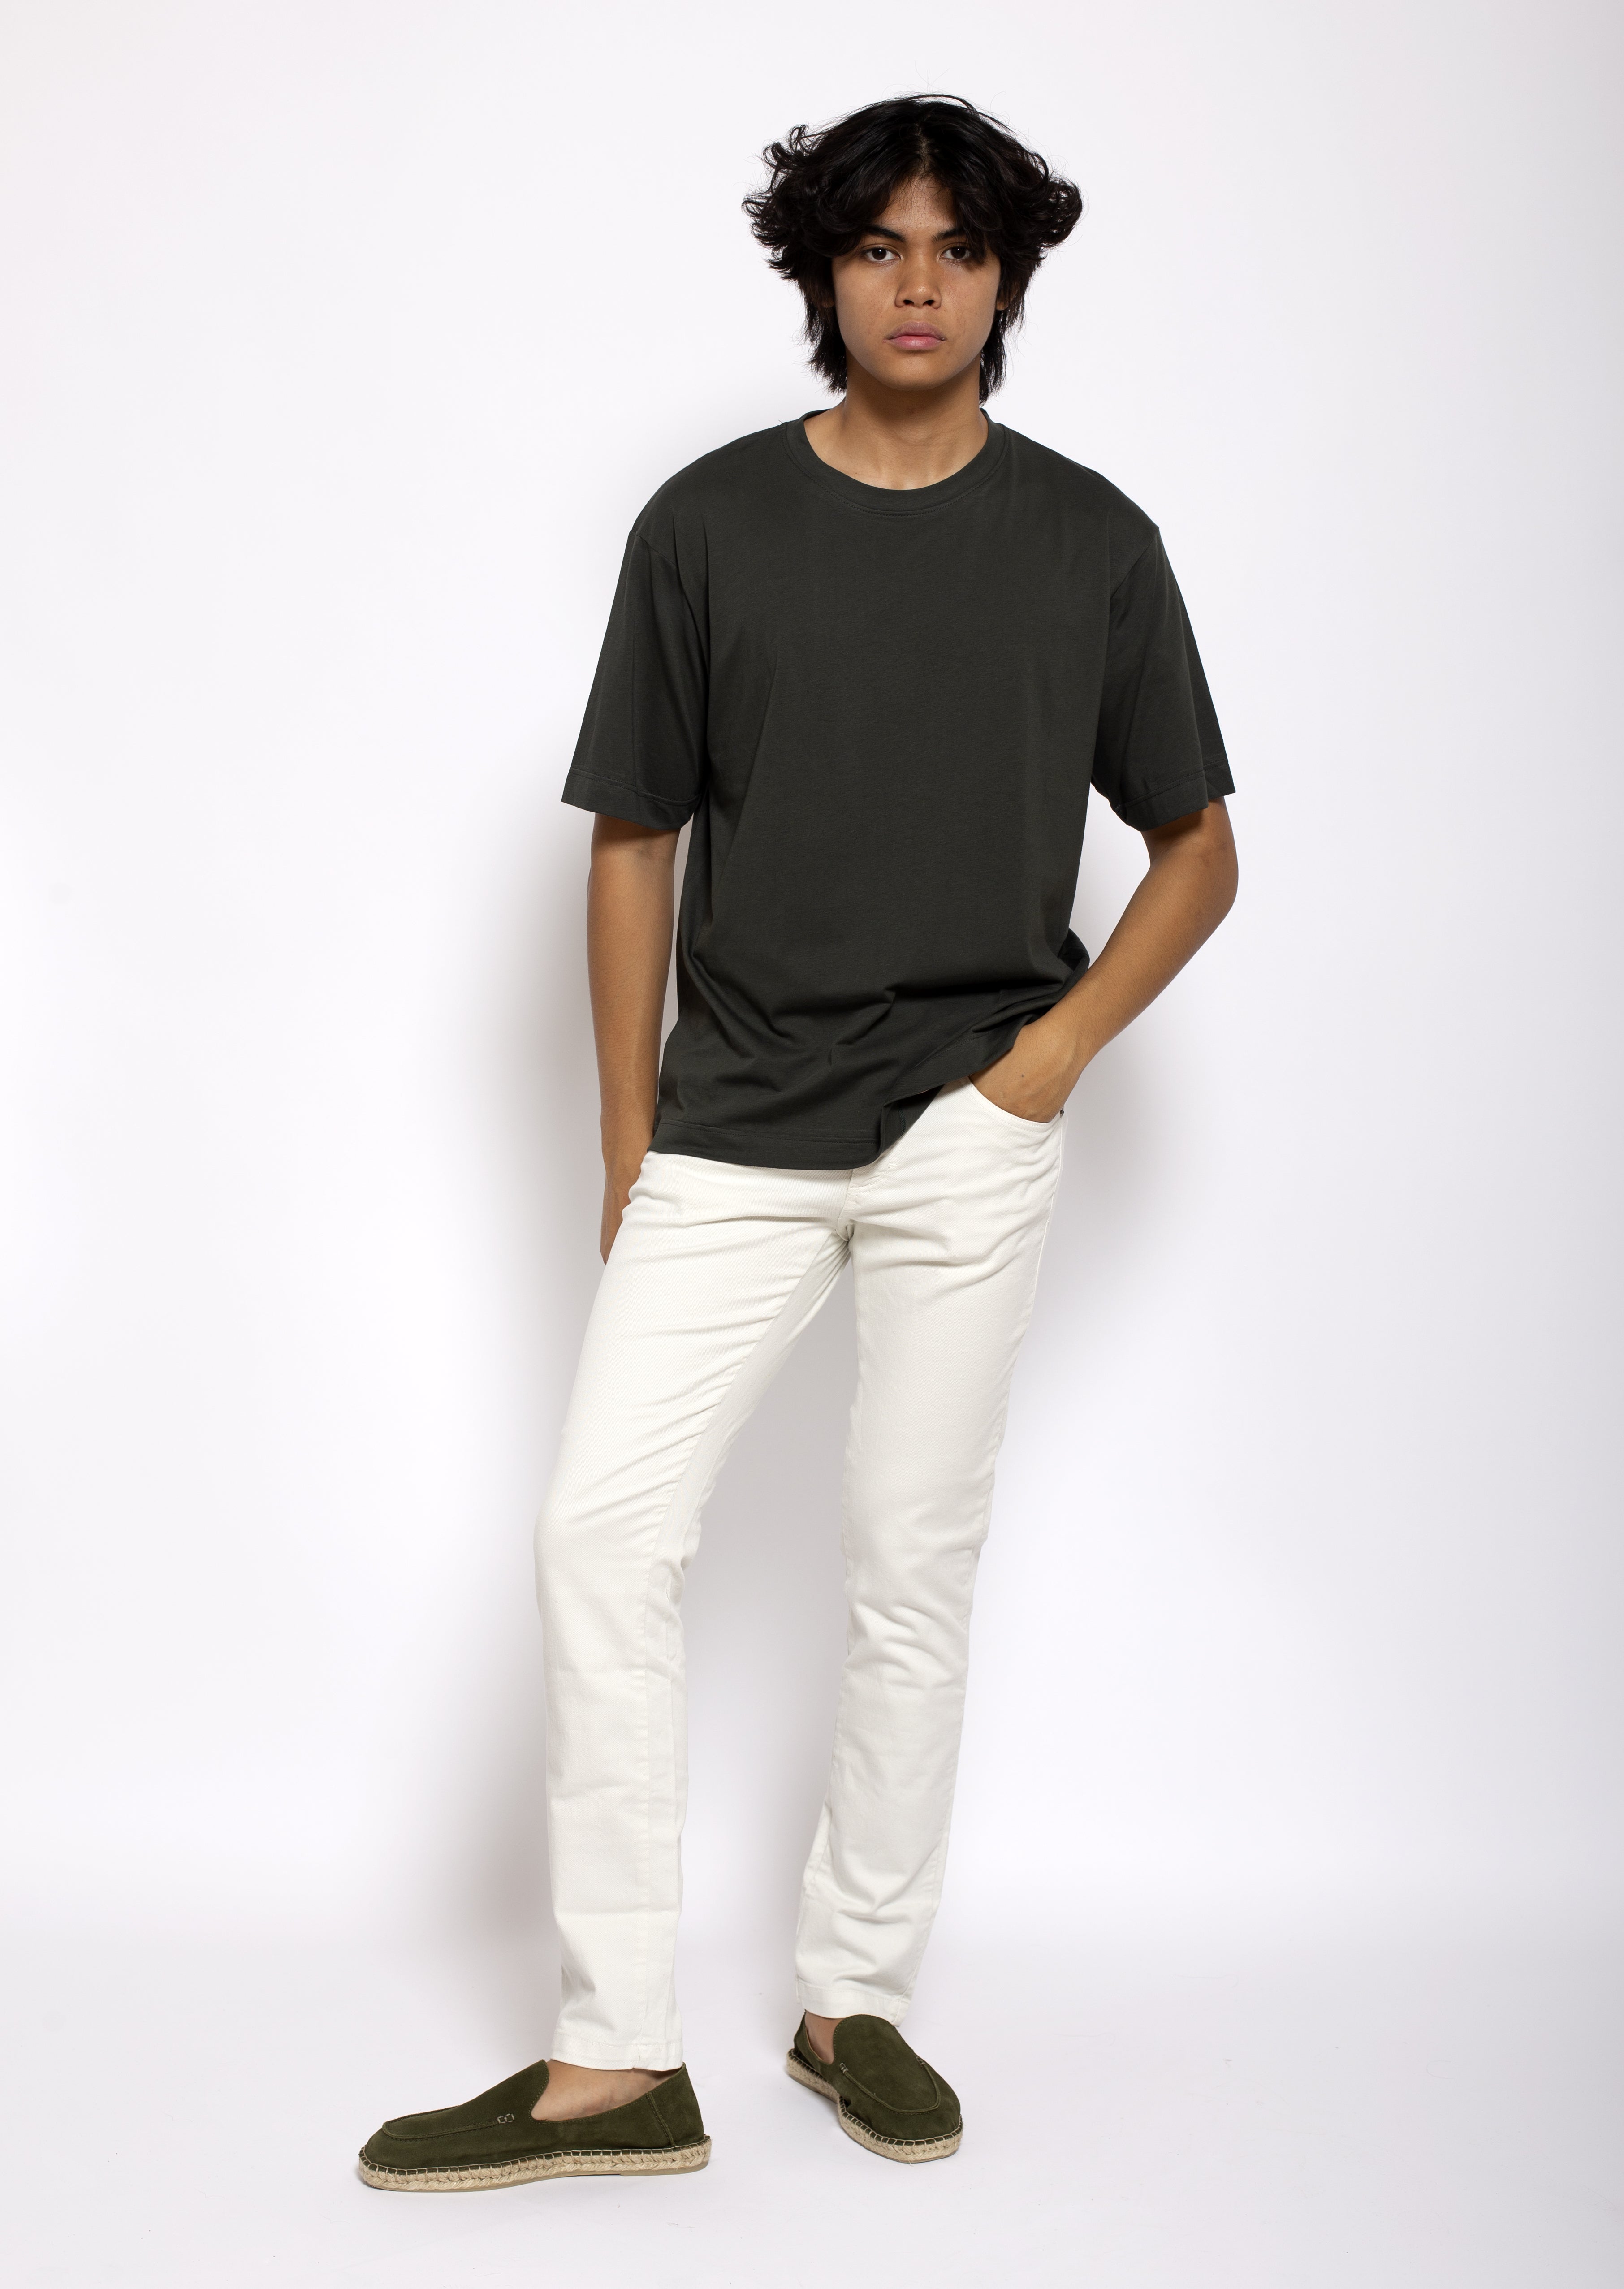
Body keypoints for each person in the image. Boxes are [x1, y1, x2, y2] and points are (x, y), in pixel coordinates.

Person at [359, 91, 1237, 2190]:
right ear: (823, 273)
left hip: (969, 1128)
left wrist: (1043, 1064)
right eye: (876, 245)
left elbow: (1198, 849)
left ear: (1006, 276)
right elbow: (633, 840)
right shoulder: (709, 525)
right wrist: (629, 1134)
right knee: (602, 1534)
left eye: (958, 247)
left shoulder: (1094, 543)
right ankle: (614, 2056)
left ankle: (855, 2000)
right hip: (735, 1125)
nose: (917, 283)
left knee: (909, 1561)